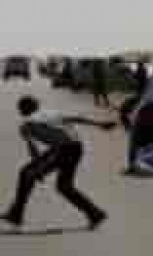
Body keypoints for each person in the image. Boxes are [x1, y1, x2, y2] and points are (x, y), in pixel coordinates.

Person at [1, 96, 116, 229]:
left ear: (23, 110)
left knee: (26, 173)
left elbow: (33, 148)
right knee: (64, 186)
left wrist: (39, 168)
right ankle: (95, 214)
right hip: (76, 147)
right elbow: (76, 118)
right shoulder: (51, 113)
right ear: (36, 106)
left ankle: (16, 214)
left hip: (62, 149)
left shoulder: (27, 124)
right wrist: (99, 124)